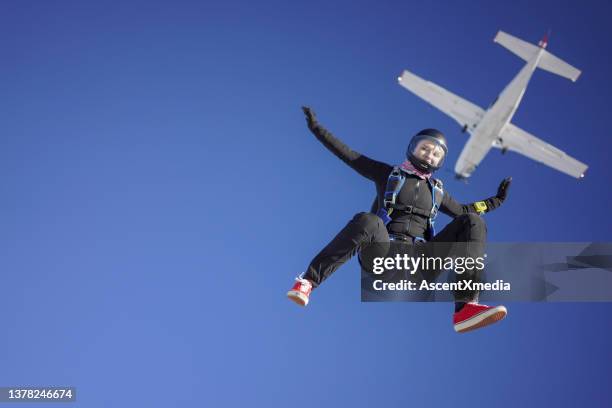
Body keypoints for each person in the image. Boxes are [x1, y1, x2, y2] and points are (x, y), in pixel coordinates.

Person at [287, 107, 513, 333]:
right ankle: (307, 282)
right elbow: (348, 154)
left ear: (440, 162)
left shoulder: (437, 191)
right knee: (369, 221)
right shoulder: (388, 174)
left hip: (419, 265)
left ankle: (465, 307)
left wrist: (496, 201)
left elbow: (466, 210)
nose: (429, 155)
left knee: (472, 221)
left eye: (436, 154)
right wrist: (316, 128)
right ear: (413, 147)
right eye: (425, 148)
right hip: (383, 255)